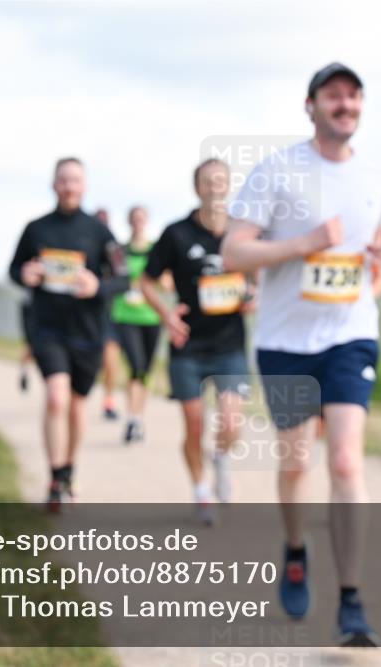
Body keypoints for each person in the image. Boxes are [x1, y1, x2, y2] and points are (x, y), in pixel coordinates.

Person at [222, 63, 381, 647]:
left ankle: (352, 600)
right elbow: (233, 255)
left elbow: (374, 270)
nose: (344, 104)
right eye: (333, 95)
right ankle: (295, 550)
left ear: (361, 105)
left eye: (352, 95)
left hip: (349, 337)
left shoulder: (375, 178)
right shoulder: (278, 171)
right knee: (296, 459)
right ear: (311, 105)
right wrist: (305, 243)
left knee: (346, 463)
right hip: (285, 343)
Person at [9, 158, 128, 510]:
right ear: (53, 184)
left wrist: (98, 285)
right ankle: (55, 475)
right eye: (63, 180)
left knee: (77, 407)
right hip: (48, 328)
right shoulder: (36, 229)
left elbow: (123, 279)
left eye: (75, 180)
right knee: (56, 398)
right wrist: (25, 274)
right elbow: (14, 269)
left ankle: (69, 470)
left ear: (85, 186)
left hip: (88, 332)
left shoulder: (100, 232)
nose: (69, 186)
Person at [140, 158, 253, 525]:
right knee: (193, 425)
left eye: (221, 181)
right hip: (187, 345)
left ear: (229, 185)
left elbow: (263, 274)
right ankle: (201, 490)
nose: (215, 187)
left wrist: (254, 294)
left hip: (229, 344)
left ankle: (221, 458)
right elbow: (146, 281)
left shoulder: (243, 232)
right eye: (208, 181)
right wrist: (167, 314)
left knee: (231, 423)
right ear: (197, 188)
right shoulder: (176, 234)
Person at [111, 206, 163, 444]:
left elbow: (168, 282)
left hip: (151, 316)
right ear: (129, 222)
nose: (138, 223)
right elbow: (111, 279)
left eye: (142, 219)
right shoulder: (120, 251)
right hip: (126, 315)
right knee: (135, 365)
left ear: (147, 221)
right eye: (134, 219)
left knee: (146, 371)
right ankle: (132, 418)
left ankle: (139, 417)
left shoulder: (156, 251)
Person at [95, 207, 122, 421]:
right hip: (82, 317)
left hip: (109, 315)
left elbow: (124, 279)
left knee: (110, 360)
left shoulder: (114, 247)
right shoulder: (82, 245)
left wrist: (100, 288)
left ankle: (109, 401)